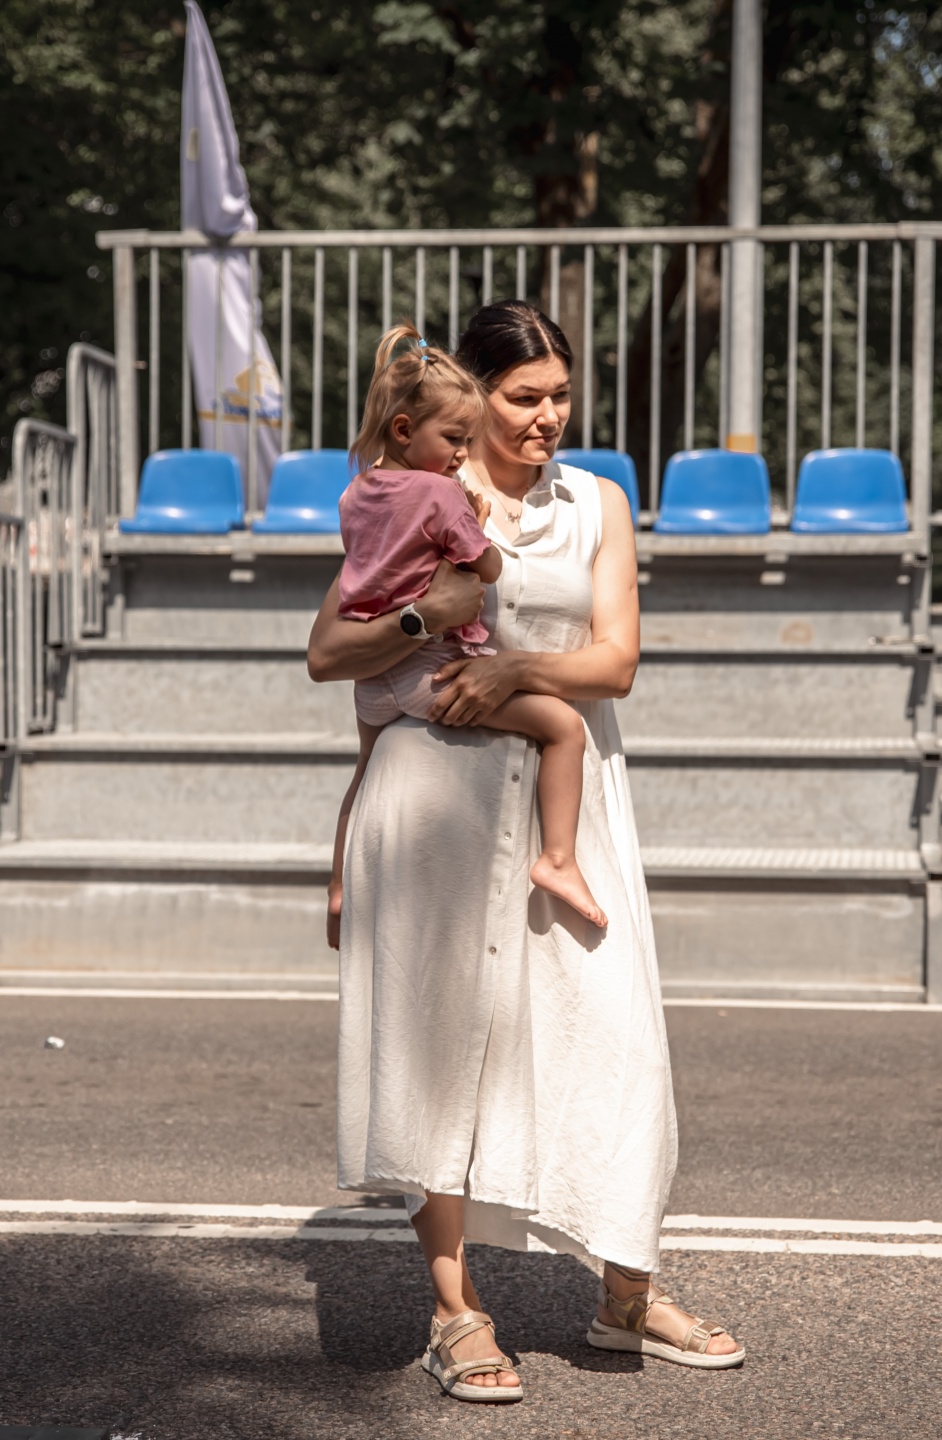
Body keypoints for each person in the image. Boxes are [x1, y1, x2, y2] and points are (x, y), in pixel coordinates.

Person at [308, 301, 743, 1405]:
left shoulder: (597, 503)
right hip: (430, 807)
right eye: (522, 398)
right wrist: (427, 625)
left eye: (560, 396)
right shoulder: (418, 491)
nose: (548, 417)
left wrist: (513, 671)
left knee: (617, 1041)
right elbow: (332, 653)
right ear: (470, 395)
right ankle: (456, 1315)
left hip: (570, 813)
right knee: (435, 1052)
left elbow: (615, 663)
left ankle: (627, 1294)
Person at [327, 324, 605, 935]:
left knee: (365, 766)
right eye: (525, 397)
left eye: (560, 395)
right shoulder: (443, 494)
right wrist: (471, 526)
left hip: (375, 681)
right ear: (406, 430)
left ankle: (340, 883)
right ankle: (559, 859)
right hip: (430, 671)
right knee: (564, 726)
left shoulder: (356, 491)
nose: (460, 451)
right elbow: (488, 566)